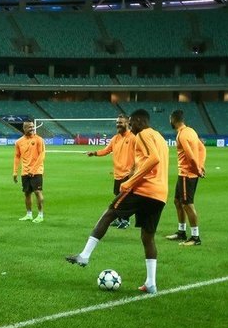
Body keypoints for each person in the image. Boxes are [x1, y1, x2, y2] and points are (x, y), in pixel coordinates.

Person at [66, 109, 169, 294]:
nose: (130, 125)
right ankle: (151, 283)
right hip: (160, 194)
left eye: (131, 122)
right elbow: (152, 160)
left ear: (138, 121)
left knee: (109, 213)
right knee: (148, 237)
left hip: (143, 189)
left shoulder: (143, 134)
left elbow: (154, 159)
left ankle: (84, 255)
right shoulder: (160, 137)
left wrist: (129, 181)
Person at [87, 113, 135, 229]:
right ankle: (120, 220)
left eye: (120, 122)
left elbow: (139, 155)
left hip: (128, 174)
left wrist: (133, 170)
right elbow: (106, 150)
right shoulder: (115, 139)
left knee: (124, 199)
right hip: (117, 174)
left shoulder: (133, 137)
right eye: (117, 122)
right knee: (117, 197)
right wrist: (94, 153)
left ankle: (125, 221)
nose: (118, 124)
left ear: (127, 123)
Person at [166, 109, 206, 246]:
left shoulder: (182, 135)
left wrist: (198, 169)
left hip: (187, 174)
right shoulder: (191, 131)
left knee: (187, 204)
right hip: (186, 174)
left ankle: (195, 237)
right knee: (177, 201)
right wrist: (201, 165)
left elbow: (190, 156)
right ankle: (181, 232)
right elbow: (202, 149)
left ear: (173, 119)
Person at [13, 119, 46, 223]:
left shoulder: (39, 140)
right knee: (27, 193)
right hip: (25, 172)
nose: (32, 128)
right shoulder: (19, 142)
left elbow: (42, 155)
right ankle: (29, 214)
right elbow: (17, 157)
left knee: (37, 192)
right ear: (24, 128)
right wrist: (15, 172)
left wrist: (33, 169)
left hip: (37, 171)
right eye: (30, 127)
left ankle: (40, 215)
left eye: (33, 126)